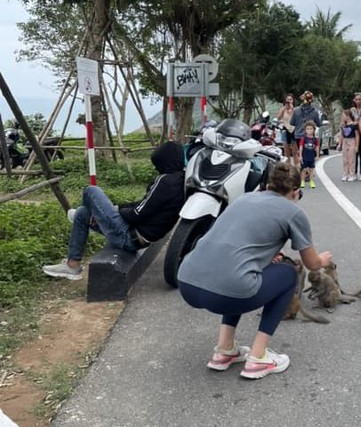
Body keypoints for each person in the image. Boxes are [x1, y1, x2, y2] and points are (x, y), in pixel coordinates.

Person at [177, 163, 332, 380]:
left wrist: (265, 257)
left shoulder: (244, 198)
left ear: (267, 185)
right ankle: (258, 357)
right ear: (296, 192)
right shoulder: (294, 212)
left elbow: (235, 246)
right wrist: (322, 260)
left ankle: (224, 350)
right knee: (288, 273)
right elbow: (312, 264)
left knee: (238, 271)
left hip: (187, 282)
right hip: (227, 292)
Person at [42, 141, 186, 280]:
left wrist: (116, 212)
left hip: (129, 236)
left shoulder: (165, 181)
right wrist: (118, 208)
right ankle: (72, 266)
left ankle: (91, 216)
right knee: (81, 213)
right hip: (138, 238)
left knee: (91, 190)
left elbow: (137, 214)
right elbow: (144, 205)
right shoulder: (179, 180)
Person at [290, 90, 321, 166]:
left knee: (301, 152)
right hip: (309, 137)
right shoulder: (314, 111)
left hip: (298, 135)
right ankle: (308, 170)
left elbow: (292, 122)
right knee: (309, 153)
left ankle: (303, 169)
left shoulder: (296, 110)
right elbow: (319, 124)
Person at [337, 109, 359, 181]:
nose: (342, 117)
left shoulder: (354, 125)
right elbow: (341, 135)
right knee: (345, 159)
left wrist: (356, 146)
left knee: (351, 159)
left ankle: (351, 174)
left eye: (343, 116)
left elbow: (357, 136)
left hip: (352, 141)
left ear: (348, 116)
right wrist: (340, 144)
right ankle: (345, 174)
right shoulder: (343, 125)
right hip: (345, 142)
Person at [276, 93, 297, 165]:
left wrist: (292, 108)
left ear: (293, 100)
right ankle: (288, 168)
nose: (289, 101)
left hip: (294, 130)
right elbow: (278, 118)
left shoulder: (295, 109)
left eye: (290, 99)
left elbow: (298, 118)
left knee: (294, 152)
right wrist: (283, 109)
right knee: (286, 152)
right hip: (285, 130)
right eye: (287, 100)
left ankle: (296, 167)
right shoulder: (283, 109)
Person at [350, 92, 361, 181]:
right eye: (356, 99)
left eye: (359, 99)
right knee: (354, 154)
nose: (358, 101)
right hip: (353, 133)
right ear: (354, 100)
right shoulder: (352, 110)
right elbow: (349, 120)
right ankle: (354, 172)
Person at [298, 121, 319, 188]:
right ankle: (302, 181)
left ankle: (311, 181)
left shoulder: (315, 139)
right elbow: (301, 147)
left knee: (311, 169)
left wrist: (317, 155)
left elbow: (317, 147)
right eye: (307, 129)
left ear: (313, 130)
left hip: (311, 156)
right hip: (305, 156)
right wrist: (300, 155)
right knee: (304, 169)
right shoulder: (303, 139)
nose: (309, 130)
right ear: (305, 130)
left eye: (311, 129)